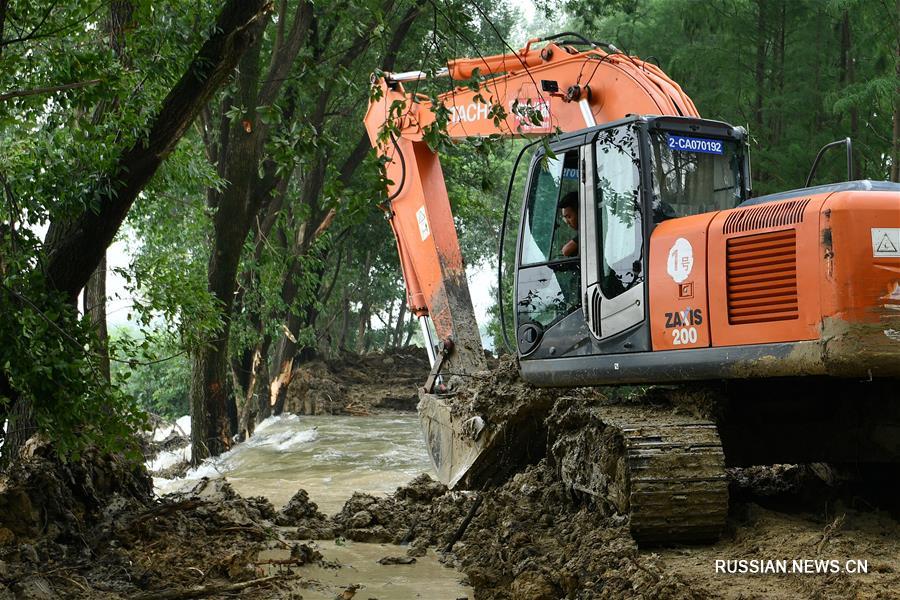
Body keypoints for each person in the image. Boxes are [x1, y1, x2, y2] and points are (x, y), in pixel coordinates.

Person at [559, 191, 579, 257]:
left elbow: (566, 251)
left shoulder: (588, 231)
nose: (567, 222)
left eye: (569, 217)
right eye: (565, 218)